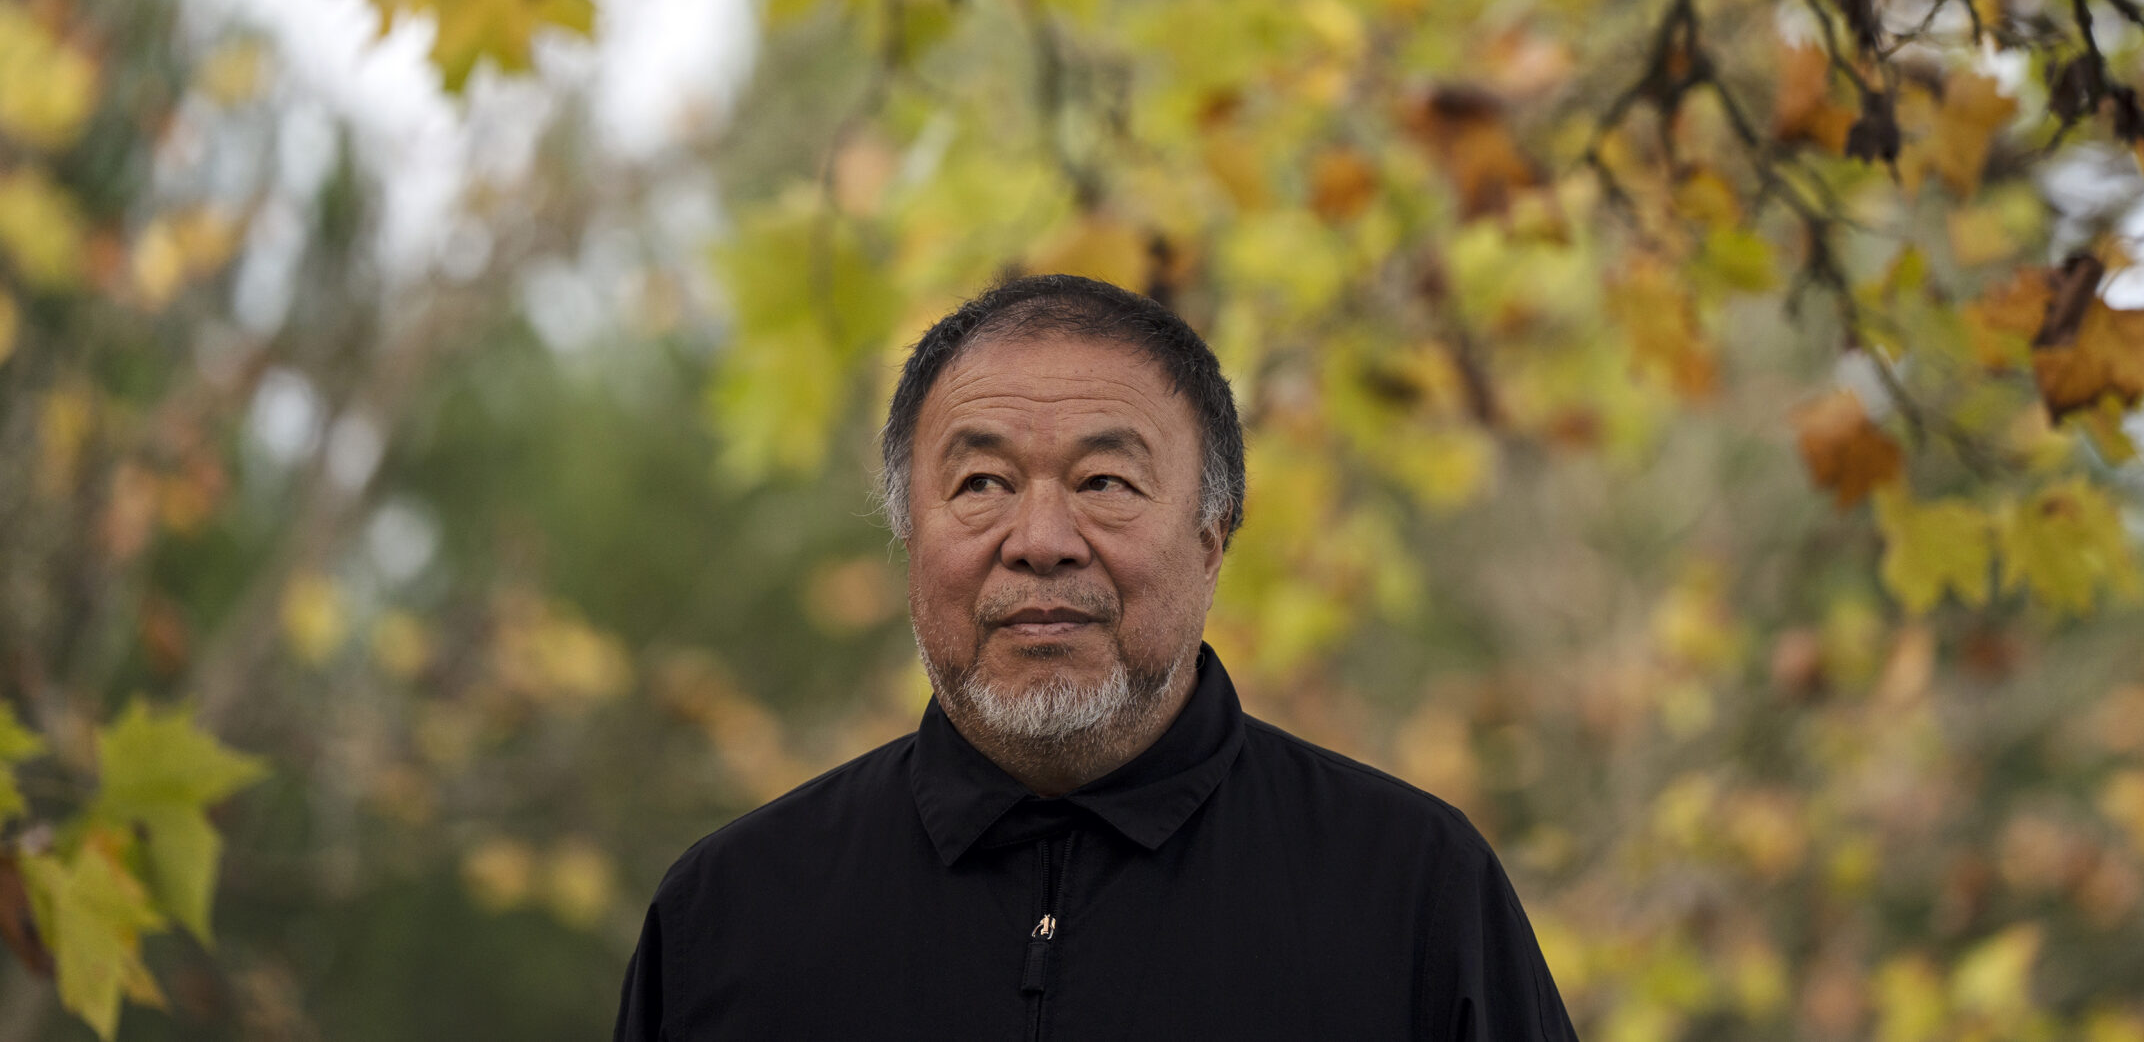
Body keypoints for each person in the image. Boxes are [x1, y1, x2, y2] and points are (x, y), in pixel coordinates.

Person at [613, 272, 1579, 1041]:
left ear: (1213, 537)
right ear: (909, 534)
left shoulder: (1413, 895)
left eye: (1106, 481)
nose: (1041, 540)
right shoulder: (731, 915)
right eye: (981, 482)